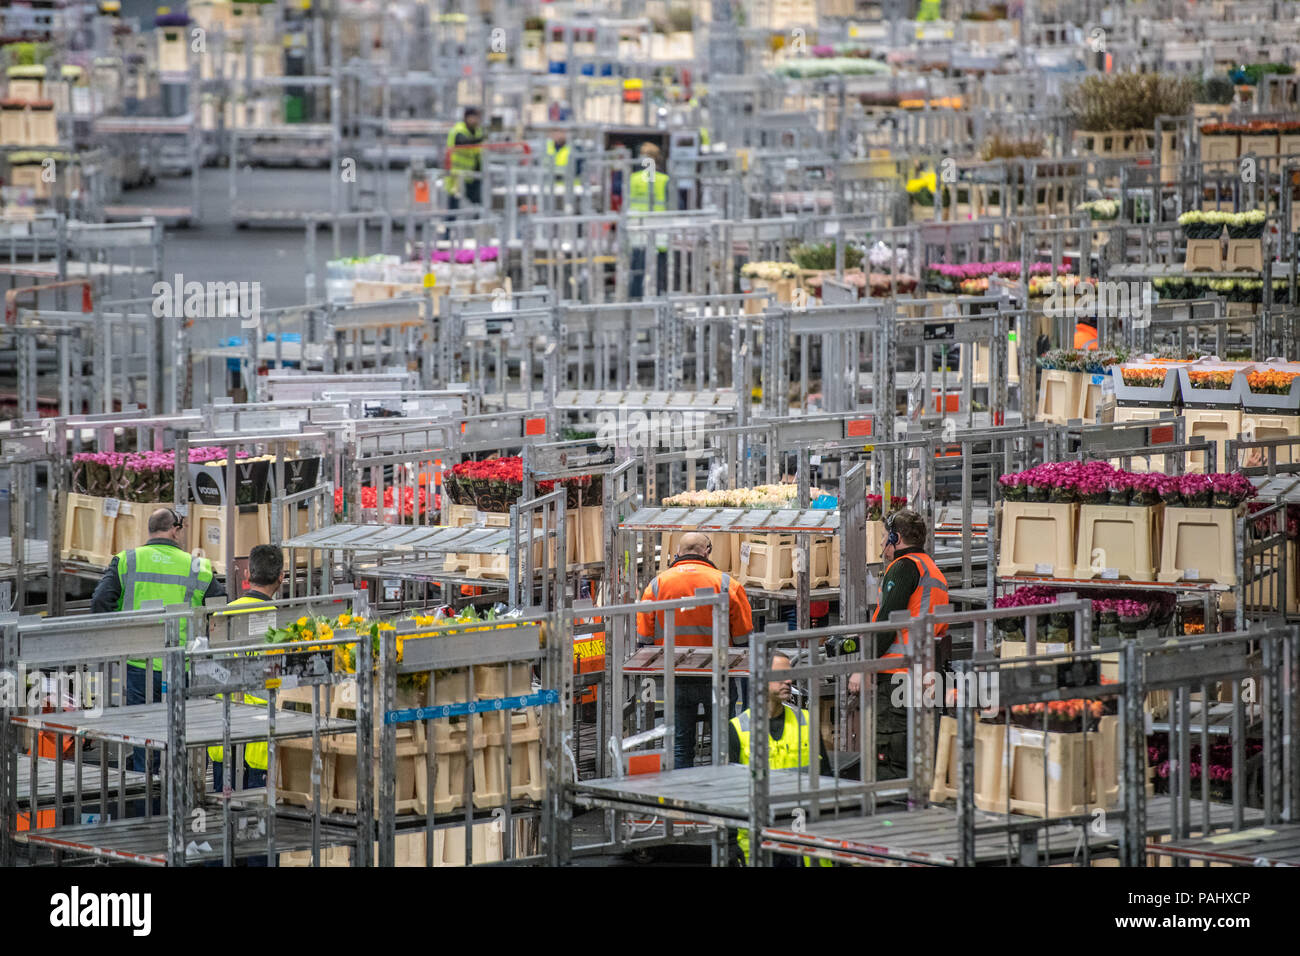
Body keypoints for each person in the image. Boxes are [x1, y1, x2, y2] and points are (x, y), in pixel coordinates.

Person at [92, 508, 224, 771]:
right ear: (175, 529)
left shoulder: (128, 560)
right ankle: (180, 795)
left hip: (139, 664)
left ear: (150, 530)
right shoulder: (197, 565)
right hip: (182, 666)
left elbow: (99, 602)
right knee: (181, 734)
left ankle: (147, 800)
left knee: (145, 738)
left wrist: (119, 636)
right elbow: (220, 608)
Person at [636, 532, 753, 769]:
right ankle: (718, 799)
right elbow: (743, 638)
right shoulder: (726, 584)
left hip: (676, 675)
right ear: (706, 551)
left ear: (678, 553)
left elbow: (644, 638)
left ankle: (682, 800)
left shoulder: (657, 585)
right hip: (718, 676)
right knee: (723, 745)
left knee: (680, 745)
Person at [848, 509, 949, 780]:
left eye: (884, 536)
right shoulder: (933, 570)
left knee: (890, 757)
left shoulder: (904, 568)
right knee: (917, 753)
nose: (882, 543)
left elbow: (887, 625)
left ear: (897, 537)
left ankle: (890, 816)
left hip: (898, 679)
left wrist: (863, 666)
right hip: (925, 676)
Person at [729, 650, 832, 867]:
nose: (788, 680)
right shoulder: (738, 729)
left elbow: (827, 778)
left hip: (802, 834)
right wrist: (730, 842)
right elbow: (726, 793)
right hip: (757, 838)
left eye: (789, 674)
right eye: (781, 674)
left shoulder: (806, 721)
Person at [208, 544, 284, 794]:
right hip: (261, 737)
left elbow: (212, 669)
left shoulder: (223, 615)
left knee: (222, 808)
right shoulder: (280, 623)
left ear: (248, 575)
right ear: (281, 577)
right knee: (256, 813)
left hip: (225, 730)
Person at [628, 142, 671, 298]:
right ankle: (659, 301)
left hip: (637, 229)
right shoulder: (664, 179)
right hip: (659, 231)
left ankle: (634, 300)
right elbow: (675, 205)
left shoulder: (633, 179)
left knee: (637, 269)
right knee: (659, 272)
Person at [446, 106, 486, 210]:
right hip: (457, 174)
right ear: (466, 117)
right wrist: (482, 138)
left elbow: (477, 153)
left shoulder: (478, 131)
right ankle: (450, 226)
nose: (475, 120)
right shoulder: (459, 130)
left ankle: (476, 224)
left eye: (477, 118)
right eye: (473, 117)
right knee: (454, 203)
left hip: (472, 174)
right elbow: (463, 142)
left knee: (476, 202)